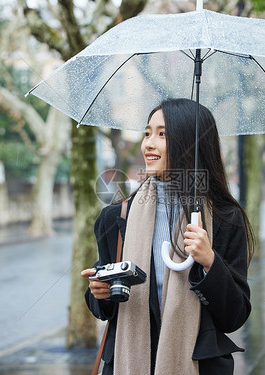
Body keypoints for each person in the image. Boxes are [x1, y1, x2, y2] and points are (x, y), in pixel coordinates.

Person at [81, 98, 255, 375]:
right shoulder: (115, 218)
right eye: (147, 133)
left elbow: (234, 316)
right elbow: (102, 309)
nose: (148, 143)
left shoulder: (224, 219)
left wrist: (210, 262)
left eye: (162, 134)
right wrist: (99, 293)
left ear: (190, 142)